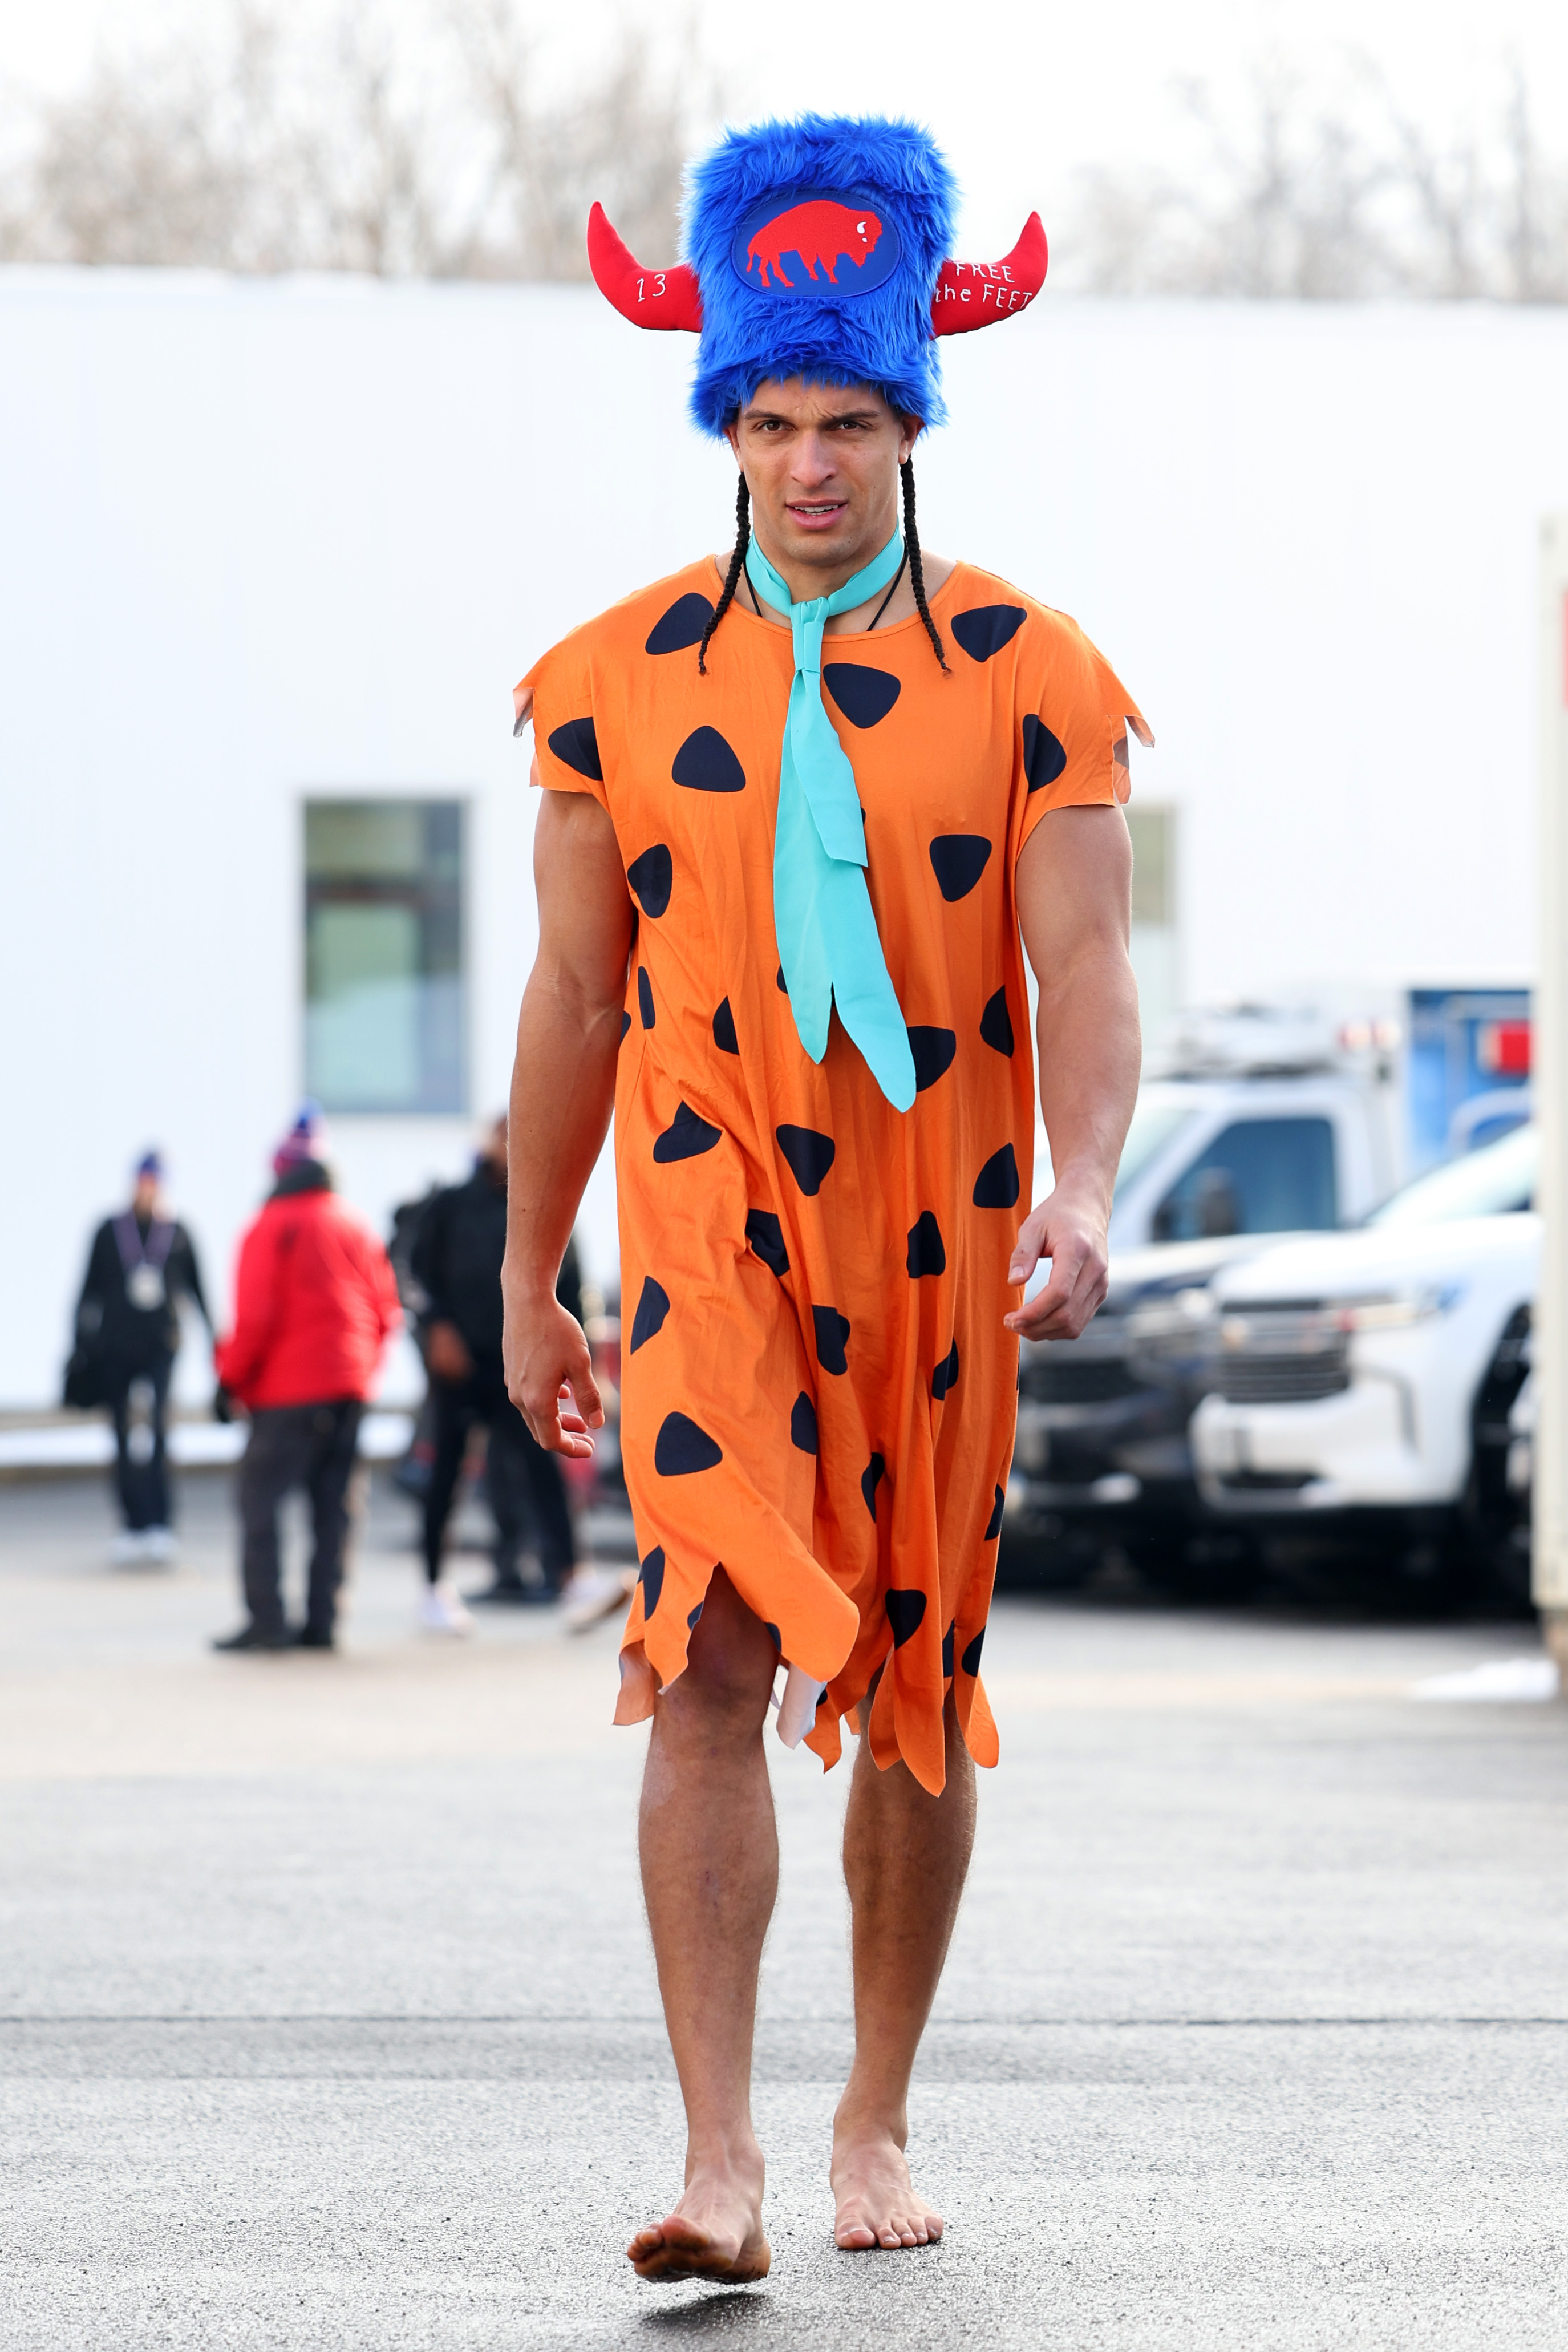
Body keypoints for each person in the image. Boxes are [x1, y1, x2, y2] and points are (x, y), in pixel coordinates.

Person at [503, 117, 1149, 2279]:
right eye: (768, 420)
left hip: (940, 1222)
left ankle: (870, 2105)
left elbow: (1079, 967)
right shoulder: (605, 687)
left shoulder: (1030, 673)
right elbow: (577, 1000)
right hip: (701, 1211)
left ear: (906, 421)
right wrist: (529, 1274)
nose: (804, 462)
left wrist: (1077, 1183)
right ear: (725, 422)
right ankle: (719, 2157)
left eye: (845, 421)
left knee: (911, 1676)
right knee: (695, 1646)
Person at [212, 1107, 400, 1653]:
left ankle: (267, 1619)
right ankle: (323, 1621)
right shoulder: (355, 1225)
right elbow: (386, 1311)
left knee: (260, 1501)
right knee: (334, 1505)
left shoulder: (271, 1226)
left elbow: (256, 1319)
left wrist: (230, 1383)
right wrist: (361, 1373)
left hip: (287, 1393)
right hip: (348, 1389)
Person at [408, 1114, 582, 1629]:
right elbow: (415, 1273)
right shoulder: (451, 1204)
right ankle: (434, 1585)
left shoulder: (549, 1204)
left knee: (543, 1464)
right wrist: (436, 1328)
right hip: (462, 1367)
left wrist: (575, 1355)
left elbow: (569, 1285)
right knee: (446, 1475)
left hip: (520, 1365)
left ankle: (573, 1574)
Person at [69, 1150, 210, 1565]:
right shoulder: (109, 1231)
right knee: (121, 1435)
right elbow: (87, 1290)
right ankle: (130, 1523)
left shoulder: (178, 1231)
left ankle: (161, 1523)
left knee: (160, 1433)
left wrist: (217, 1345)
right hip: (115, 1348)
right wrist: (80, 1344)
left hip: (161, 1346)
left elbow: (200, 1290)